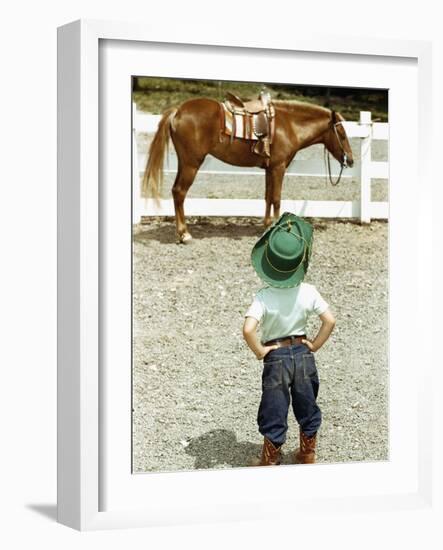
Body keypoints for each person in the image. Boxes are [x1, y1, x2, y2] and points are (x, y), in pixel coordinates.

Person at [243, 212, 335, 466]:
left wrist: (260, 351)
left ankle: (270, 459)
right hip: (304, 354)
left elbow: (248, 329)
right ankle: (307, 453)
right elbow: (330, 320)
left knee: (274, 405)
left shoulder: (264, 296)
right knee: (307, 402)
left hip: (276, 357)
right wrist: (314, 345)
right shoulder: (309, 291)